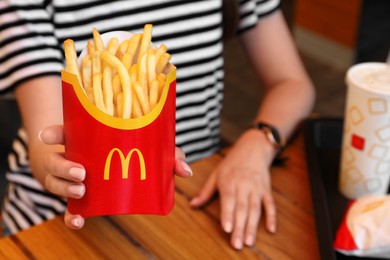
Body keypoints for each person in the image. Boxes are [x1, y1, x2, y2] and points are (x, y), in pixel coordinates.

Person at [0, 0, 315, 250]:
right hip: (53, 222)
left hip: (190, 201)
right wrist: (60, 171)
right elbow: (44, 138)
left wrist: (258, 142)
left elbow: (293, 83)